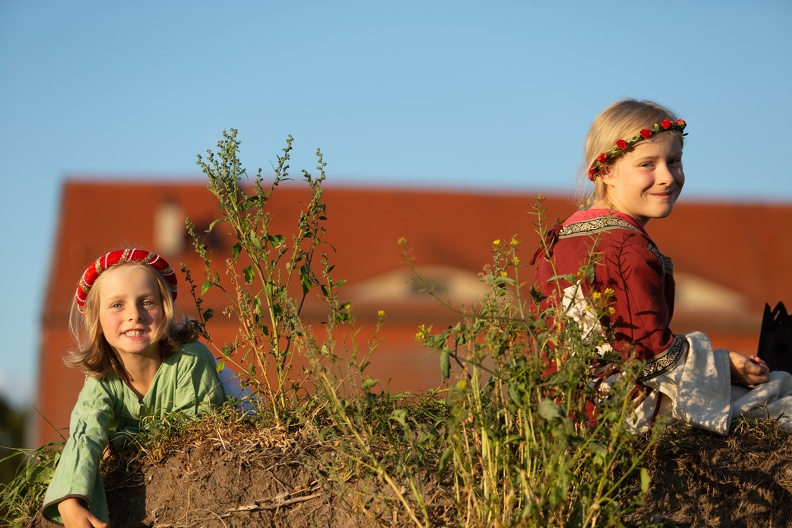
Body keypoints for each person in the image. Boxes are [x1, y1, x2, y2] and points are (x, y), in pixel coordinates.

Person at [532, 99, 792, 435]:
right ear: (606, 170)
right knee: (781, 393)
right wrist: (725, 365)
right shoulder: (623, 247)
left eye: (674, 161)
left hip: (561, 404)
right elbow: (649, 354)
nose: (667, 177)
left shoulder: (565, 237)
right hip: (621, 409)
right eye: (647, 164)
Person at [42, 248, 228, 527]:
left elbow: (198, 432)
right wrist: (69, 502)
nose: (135, 315)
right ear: (97, 321)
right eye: (117, 305)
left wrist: (118, 441)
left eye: (147, 302)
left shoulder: (190, 360)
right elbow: (84, 435)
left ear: (165, 310)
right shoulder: (101, 381)